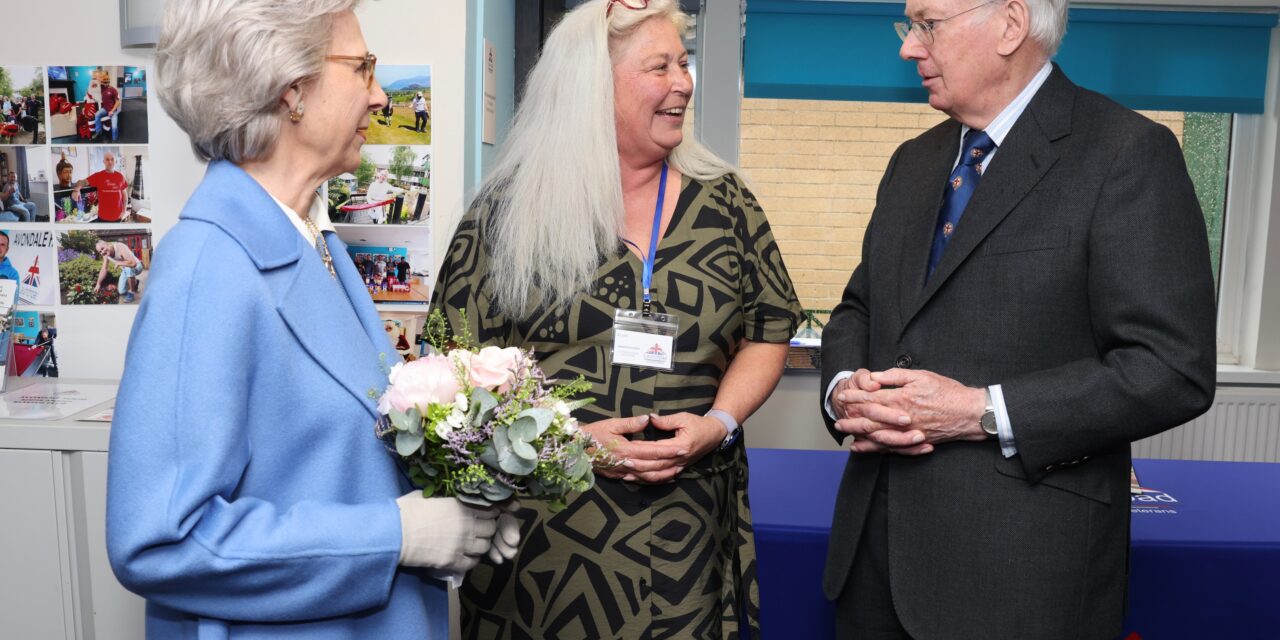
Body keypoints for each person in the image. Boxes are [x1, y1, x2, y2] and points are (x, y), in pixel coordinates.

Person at [106, 2, 518, 638]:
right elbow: (160, 539)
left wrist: (465, 507)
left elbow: (341, 455)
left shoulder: (313, 241)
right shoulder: (207, 269)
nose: (381, 95)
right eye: (362, 67)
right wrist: (399, 536)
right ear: (292, 91)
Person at [818, 0, 1218, 637]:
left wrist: (981, 410)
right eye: (909, 26)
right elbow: (859, 309)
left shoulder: (1127, 153)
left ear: (1009, 23)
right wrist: (844, 391)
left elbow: (1172, 369)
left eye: (927, 24)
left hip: (1021, 578)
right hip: (873, 566)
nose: (908, 48)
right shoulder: (913, 162)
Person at [433, 1, 802, 636]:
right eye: (660, 67)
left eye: (684, 64)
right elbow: (449, 383)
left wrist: (718, 423)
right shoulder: (508, 214)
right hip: (547, 548)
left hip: (686, 536)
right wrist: (566, 444)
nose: (683, 83)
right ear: (588, 88)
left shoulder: (727, 204)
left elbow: (768, 330)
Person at [84, 151, 130, 222]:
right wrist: (77, 189)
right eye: (107, 159)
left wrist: (124, 211)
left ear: (115, 161)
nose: (110, 162)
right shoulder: (98, 176)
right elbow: (84, 182)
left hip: (117, 218)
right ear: (104, 162)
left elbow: (125, 196)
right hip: (102, 218)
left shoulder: (120, 177)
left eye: (112, 159)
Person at [53, 154, 86, 222]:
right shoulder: (54, 191)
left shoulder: (75, 187)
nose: (69, 175)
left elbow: (80, 210)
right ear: (58, 174)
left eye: (71, 172)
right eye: (66, 172)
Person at [91, 71, 121, 141]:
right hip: (105, 109)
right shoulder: (101, 87)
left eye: (106, 81)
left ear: (109, 81)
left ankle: (114, 140)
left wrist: (112, 111)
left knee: (114, 127)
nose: (105, 83)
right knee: (97, 115)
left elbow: (118, 102)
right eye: (103, 81)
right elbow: (95, 82)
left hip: (113, 111)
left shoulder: (113, 90)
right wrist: (98, 77)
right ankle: (98, 131)